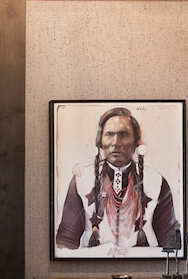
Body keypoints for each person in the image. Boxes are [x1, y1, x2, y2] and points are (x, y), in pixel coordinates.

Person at [55, 107, 178, 250]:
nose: (115, 142)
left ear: (135, 142)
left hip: (142, 263)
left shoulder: (155, 180)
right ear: (100, 142)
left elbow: (170, 240)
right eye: (109, 134)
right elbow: (66, 239)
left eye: (123, 134)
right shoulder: (82, 179)